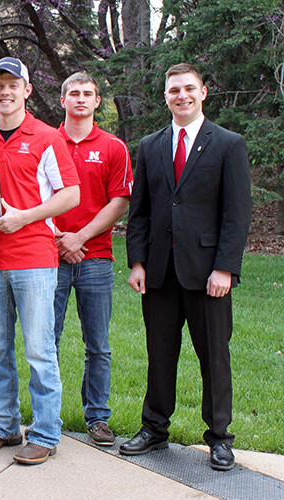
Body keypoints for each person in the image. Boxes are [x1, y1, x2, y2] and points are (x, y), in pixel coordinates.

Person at [121, 63, 251, 471]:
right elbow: (139, 212)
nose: (182, 96)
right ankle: (154, 429)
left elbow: (237, 213)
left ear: (203, 93)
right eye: (174, 90)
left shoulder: (228, 144)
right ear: (165, 97)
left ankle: (219, 438)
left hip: (207, 273)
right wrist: (137, 261)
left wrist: (225, 268)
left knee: (214, 356)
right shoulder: (151, 145)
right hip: (159, 272)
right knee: (160, 354)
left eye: (189, 89)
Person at [0, 57, 79, 465]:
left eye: (13, 84)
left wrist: (24, 217)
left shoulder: (48, 137)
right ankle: (3, 425)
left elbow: (70, 194)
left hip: (34, 258)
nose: (5, 91)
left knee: (39, 350)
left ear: (27, 90)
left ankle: (45, 432)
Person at [52, 71, 133, 446]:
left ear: (97, 101)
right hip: (48, 255)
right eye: (74, 93)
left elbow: (119, 201)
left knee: (98, 344)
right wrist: (58, 237)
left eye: (87, 94)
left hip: (95, 257)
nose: (80, 99)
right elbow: (31, 193)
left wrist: (80, 237)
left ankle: (97, 417)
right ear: (63, 99)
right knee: (45, 340)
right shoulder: (47, 141)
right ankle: (46, 415)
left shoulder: (114, 147)